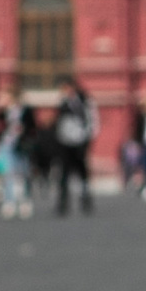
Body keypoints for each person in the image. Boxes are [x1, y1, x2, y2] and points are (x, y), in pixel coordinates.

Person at [52, 77, 97, 214]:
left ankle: (85, 198)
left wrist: (88, 138)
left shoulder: (85, 101)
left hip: (80, 141)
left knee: (82, 172)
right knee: (64, 173)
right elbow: (59, 123)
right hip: (65, 142)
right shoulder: (63, 103)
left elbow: (92, 120)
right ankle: (63, 202)